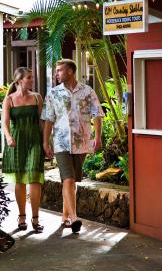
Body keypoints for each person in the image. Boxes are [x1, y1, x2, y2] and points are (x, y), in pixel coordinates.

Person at [41, 59, 104, 233]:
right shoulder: (53, 93)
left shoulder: (87, 91)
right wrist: (45, 142)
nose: (57, 74)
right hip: (61, 143)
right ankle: (75, 218)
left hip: (81, 142)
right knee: (68, 179)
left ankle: (65, 216)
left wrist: (97, 137)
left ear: (70, 71)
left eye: (59, 70)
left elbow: (97, 114)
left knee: (72, 181)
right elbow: (48, 119)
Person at [2, 67, 44, 233]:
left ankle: (35, 218)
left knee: (35, 178)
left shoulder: (37, 98)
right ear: (19, 80)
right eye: (29, 78)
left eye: (32, 78)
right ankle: (21, 216)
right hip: (16, 141)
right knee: (20, 180)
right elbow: (4, 122)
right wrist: (8, 137)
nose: (32, 80)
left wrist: (47, 143)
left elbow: (42, 123)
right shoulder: (9, 100)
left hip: (34, 140)